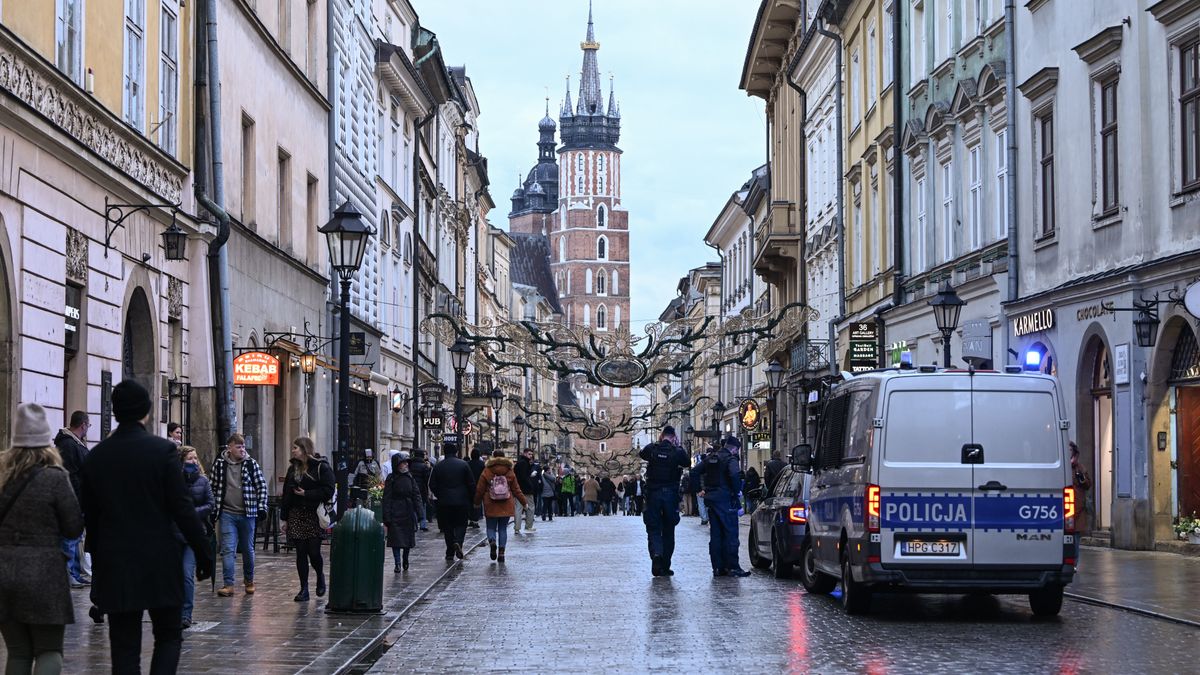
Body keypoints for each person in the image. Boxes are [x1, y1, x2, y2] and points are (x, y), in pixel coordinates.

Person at [81, 380, 213, 674]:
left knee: (124, 646)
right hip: (159, 561)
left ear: (115, 412)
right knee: (168, 636)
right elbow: (182, 509)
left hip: (116, 562)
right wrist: (204, 552)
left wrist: (99, 560)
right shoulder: (162, 451)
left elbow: (90, 516)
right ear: (147, 412)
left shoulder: (96, 457)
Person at [0, 403, 85, 674]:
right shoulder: (55, 478)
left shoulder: (2, 478)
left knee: (18, 652)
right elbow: (73, 527)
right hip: (44, 576)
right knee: (49, 650)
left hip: (3, 573)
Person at [210, 432, 268, 597]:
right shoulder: (220, 464)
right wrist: (214, 508)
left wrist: (262, 507)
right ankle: (228, 584)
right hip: (227, 513)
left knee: (248, 549)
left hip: (247, 514)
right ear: (230, 447)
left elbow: (261, 486)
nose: (242, 449)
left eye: (243, 446)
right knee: (228, 549)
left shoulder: (251, 464)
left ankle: (249, 581)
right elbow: (212, 486)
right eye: (238, 446)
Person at [280, 437, 335, 601]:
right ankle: (304, 588)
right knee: (300, 552)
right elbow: (287, 494)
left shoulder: (321, 467)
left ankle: (320, 576)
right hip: (296, 513)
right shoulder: (293, 469)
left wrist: (307, 494)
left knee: (314, 552)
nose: (293, 450)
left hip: (313, 514)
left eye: (295, 447)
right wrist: (284, 518)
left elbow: (328, 490)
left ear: (304, 449)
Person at [692, 436, 750, 577]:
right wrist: (736, 490)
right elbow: (735, 475)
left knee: (716, 535)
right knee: (730, 534)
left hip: (712, 500)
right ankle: (733, 567)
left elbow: (694, 471)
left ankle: (718, 567)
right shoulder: (731, 459)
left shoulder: (712, 458)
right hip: (726, 500)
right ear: (735, 449)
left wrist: (699, 489)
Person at [640, 425, 690, 576]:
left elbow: (642, 454)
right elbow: (687, 462)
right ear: (674, 437)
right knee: (669, 530)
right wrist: (678, 446)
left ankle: (656, 554)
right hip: (670, 495)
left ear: (661, 436)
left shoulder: (652, 449)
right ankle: (665, 565)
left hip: (653, 494)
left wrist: (657, 445)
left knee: (654, 528)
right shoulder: (677, 451)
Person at [54, 410, 90, 588]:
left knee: (76, 537)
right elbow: (73, 473)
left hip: (78, 495)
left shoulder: (74, 443)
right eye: (88, 426)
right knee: (70, 538)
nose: (88, 430)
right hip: (75, 496)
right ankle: (68, 574)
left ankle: (75, 572)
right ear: (83, 425)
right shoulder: (69, 444)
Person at [179, 446, 214, 628]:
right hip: (173, 534)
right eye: (189, 458)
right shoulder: (173, 481)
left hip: (193, 534)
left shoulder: (203, 481)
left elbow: (210, 504)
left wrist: (192, 513)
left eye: (195, 458)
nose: (193, 461)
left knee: (186, 574)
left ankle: (186, 614)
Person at [474, 450, 527, 563]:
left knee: (490, 527)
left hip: (490, 502)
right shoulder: (509, 471)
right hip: (506, 502)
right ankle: (502, 552)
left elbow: (480, 489)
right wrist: (524, 502)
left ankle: (492, 541)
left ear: (493, 457)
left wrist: (477, 502)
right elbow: (516, 490)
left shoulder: (487, 470)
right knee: (503, 528)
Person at [428, 443, 476, 561]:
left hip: (444, 502)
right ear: (456, 452)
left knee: (447, 527)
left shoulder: (438, 466)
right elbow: (471, 483)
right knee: (461, 524)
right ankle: (458, 542)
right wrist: (471, 497)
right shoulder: (463, 465)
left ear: (444, 452)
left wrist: (440, 494)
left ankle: (450, 551)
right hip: (461, 501)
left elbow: (432, 484)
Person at [382, 453, 419, 573]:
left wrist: (420, 513)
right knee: (396, 541)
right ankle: (397, 563)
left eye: (406, 462)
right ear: (397, 465)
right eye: (403, 462)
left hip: (408, 512)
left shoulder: (410, 478)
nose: (406, 464)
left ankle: (405, 559)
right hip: (395, 511)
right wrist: (386, 515)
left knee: (407, 540)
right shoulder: (391, 478)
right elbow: (386, 498)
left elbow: (416, 495)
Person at [1070, 441, 1094, 532]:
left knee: (1075, 532)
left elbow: (1088, 484)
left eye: (1070, 450)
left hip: (1077, 504)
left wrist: (1082, 478)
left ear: (1074, 452)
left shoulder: (1079, 467)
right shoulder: (1061, 466)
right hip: (1062, 504)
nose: (1069, 452)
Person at [513, 449, 537, 534]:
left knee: (518, 508)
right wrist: (530, 479)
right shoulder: (525, 463)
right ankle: (529, 526)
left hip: (518, 489)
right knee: (530, 508)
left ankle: (517, 528)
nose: (531, 456)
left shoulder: (519, 463)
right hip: (526, 489)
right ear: (525, 454)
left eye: (531, 454)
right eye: (529, 454)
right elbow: (524, 477)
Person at [409, 449, 432, 532]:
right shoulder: (424, 466)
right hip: (422, 489)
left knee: (413, 506)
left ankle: (414, 525)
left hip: (411, 487)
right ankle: (423, 525)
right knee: (422, 506)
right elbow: (427, 479)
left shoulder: (410, 464)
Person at [467, 448, 486, 529]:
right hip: (479, 485)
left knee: (470, 503)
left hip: (469, 486)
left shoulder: (468, 464)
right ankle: (476, 520)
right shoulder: (482, 464)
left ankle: (471, 519)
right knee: (478, 503)